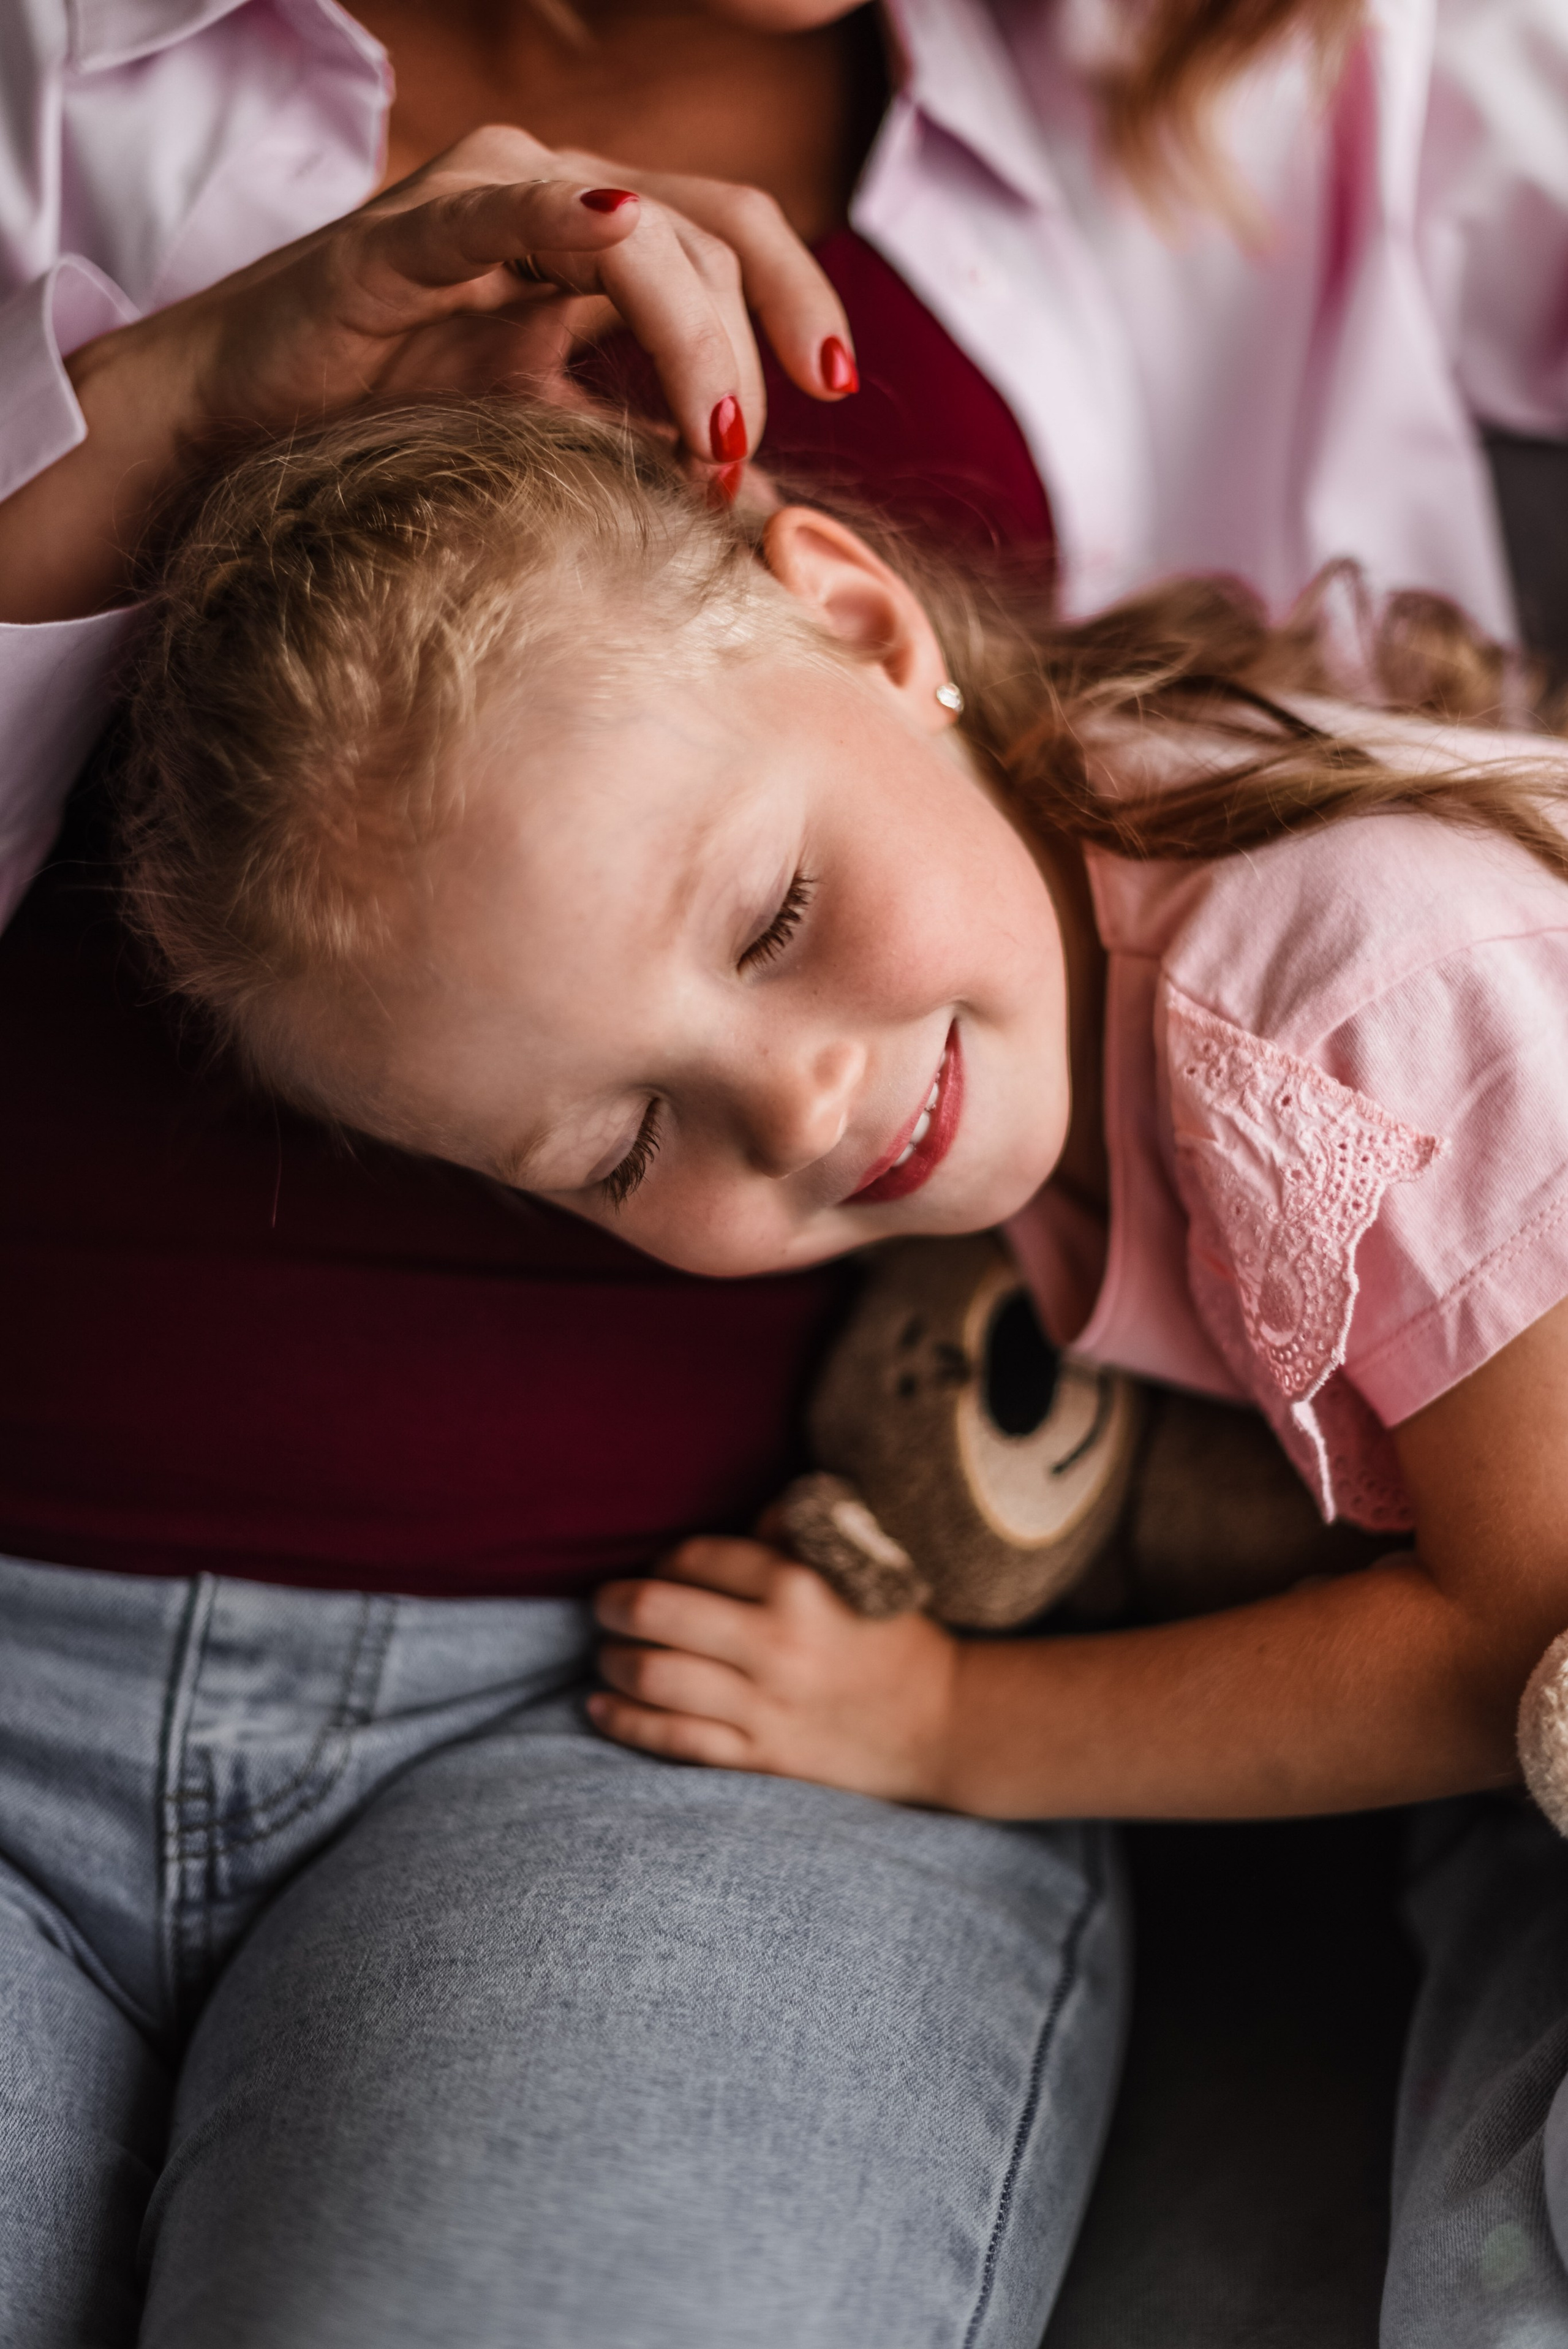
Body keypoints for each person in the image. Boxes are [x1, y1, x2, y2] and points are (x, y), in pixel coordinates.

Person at [116, 394, 1568, 2342]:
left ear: (872, 625)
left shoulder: (1340, 984)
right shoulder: (1050, 1053)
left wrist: (947, 1722)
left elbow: (1516, 1637)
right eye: (623, 1149)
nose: (796, 1106)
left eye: (774, 915)